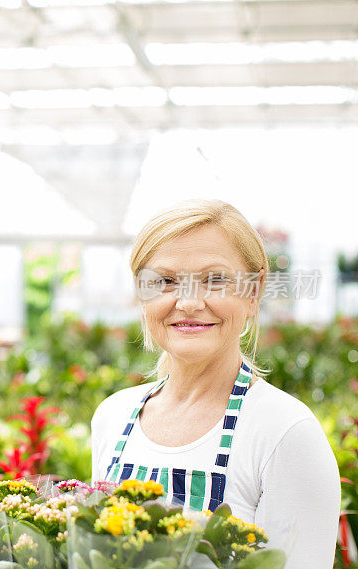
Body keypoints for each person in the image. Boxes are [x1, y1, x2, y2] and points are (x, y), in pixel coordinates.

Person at [90, 199, 340, 568]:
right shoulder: (114, 416)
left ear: (253, 292)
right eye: (166, 281)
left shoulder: (284, 432)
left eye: (215, 280)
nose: (189, 302)